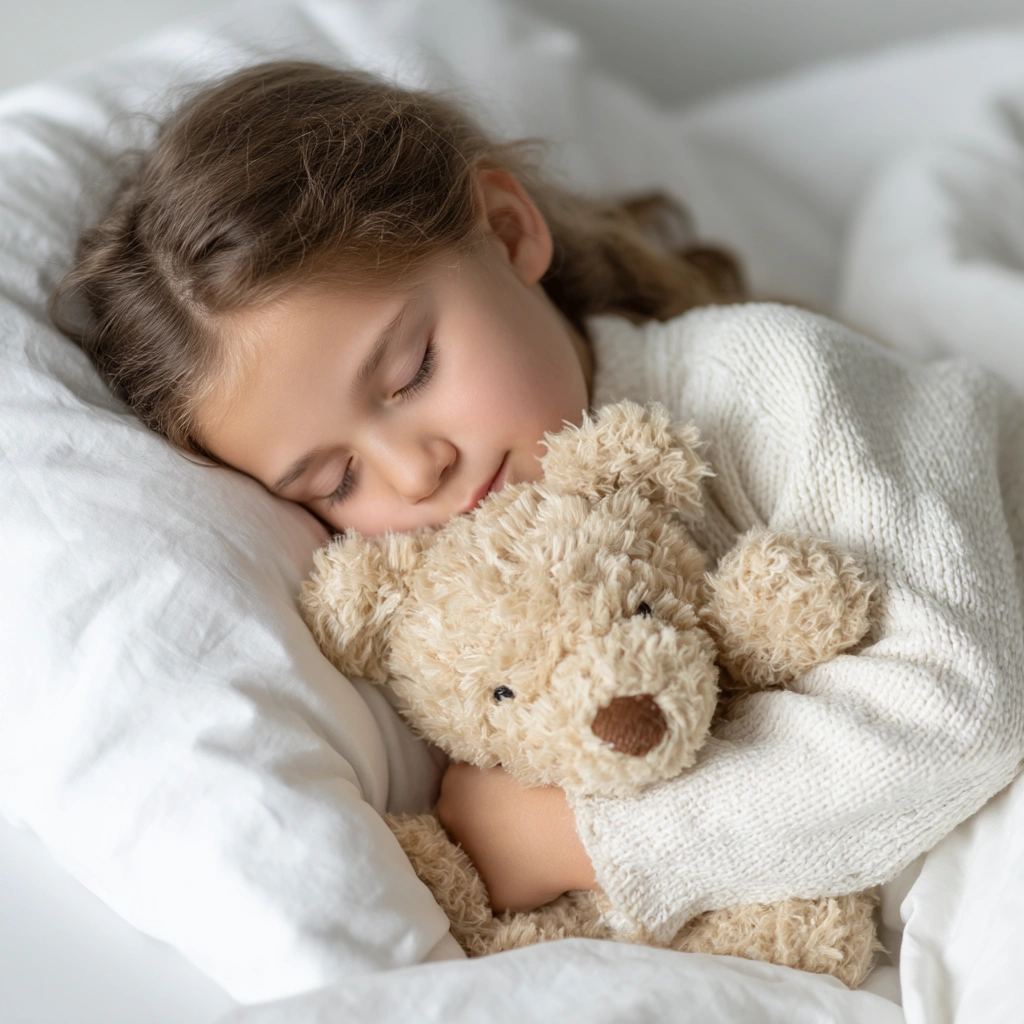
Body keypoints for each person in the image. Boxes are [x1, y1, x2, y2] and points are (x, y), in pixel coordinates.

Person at [54, 59, 1024, 944]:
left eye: (410, 371)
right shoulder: (479, 615)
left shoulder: (769, 377)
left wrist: (583, 840)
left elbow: (963, 706)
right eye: (333, 480)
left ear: (509, 232)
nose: (413, 469)